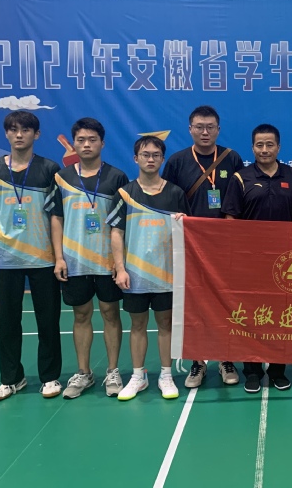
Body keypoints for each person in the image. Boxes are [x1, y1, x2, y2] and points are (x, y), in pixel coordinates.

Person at [0, 111, 62, 401]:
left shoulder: (50, 169)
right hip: (7, 259)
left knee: (48, 322)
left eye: (25, 130)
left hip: (44, 257)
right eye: (13, 129)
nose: (19, 135)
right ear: (6, 134)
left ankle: (50, 377)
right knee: (7, 322)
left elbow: (55, 214)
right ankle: (11, 379)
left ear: (36, 134)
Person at [46, 118, 128, 399]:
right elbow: (56, 219)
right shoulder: (61, 178)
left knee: (110, 313)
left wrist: (120, 263)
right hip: (74, 261)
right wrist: (59, 258)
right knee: (81, 315)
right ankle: (84, 372)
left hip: (107, 261)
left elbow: (122, 224)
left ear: (102, 143)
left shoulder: (117, 177)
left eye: (92, 139)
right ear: (74, 144)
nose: (87, 144)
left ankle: (113, 371)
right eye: (81, 140)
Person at [162, 105, 243, 389]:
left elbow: (240, 199)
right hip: (190, 247)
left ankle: (226, 358)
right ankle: (197, 362)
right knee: (194, 306)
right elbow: (167, 200)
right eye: (199, 127)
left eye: (210, 127)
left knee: (226, 303)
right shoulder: (177, 161)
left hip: (226, 247)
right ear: (190, 129)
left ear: (218, 129)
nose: (205, 132)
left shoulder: (232, 158)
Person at [107, 136, 190, 401]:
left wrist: (184, 222)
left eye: (156, 155)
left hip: (167, 274)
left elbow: (188, 231)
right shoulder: (125, 193)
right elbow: (116, 232)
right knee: (138, 324)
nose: (150, 159)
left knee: (166, 324)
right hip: (136, 274)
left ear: (162, 159)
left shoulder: (176, 193)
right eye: (145, 154)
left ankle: (166, 375)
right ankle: (138, 376)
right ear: (136, 159)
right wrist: (120, 268)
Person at [221, 123, 292, 393]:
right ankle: (252, 370)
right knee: (251, 317)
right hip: (250, 263)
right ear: (252, 147)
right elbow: (230, 220)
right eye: (259, 145)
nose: (264, 150)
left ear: (278, 147)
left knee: (281, 317)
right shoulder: (240, 178)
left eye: (270, 144)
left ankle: (278, 370)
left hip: (285, 263)